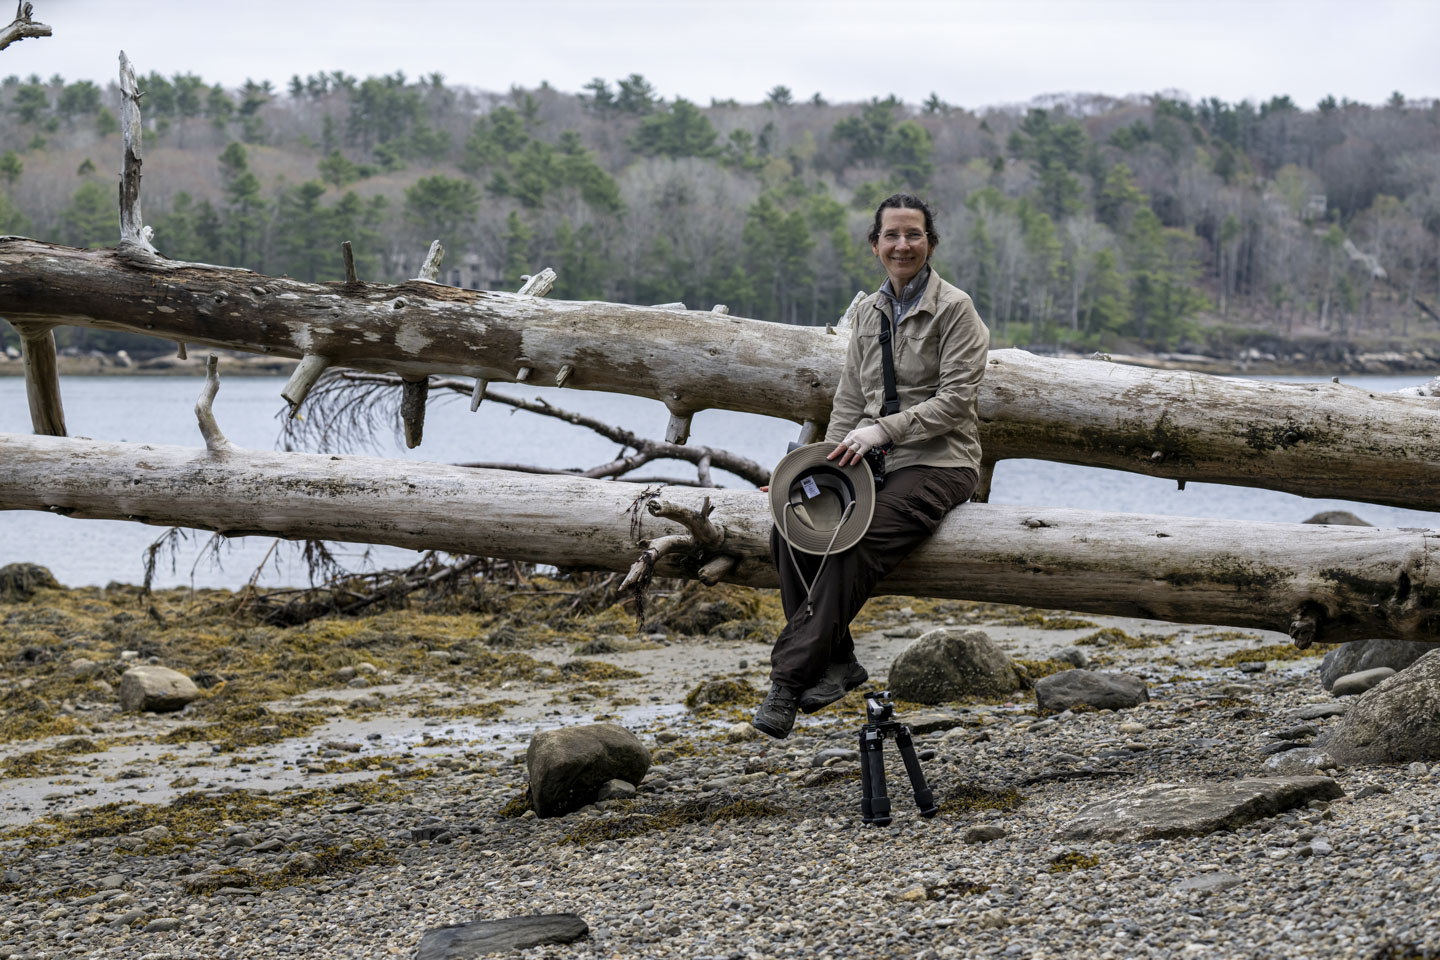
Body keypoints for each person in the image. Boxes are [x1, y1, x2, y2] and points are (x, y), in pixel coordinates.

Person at [752, 193, 990, 739]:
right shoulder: (868, 311)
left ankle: (789, 682)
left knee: (849, 542)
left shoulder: (955, 308)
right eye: (891, 235)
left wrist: (884, 429)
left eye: (914, 234)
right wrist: (808, 474)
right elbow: (849, 401)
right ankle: (839, 663)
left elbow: (956, 400)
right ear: (875, 244)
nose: (902, 244)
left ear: (930, 242)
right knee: (790, 526)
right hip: (873, 462)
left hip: (941, 463)